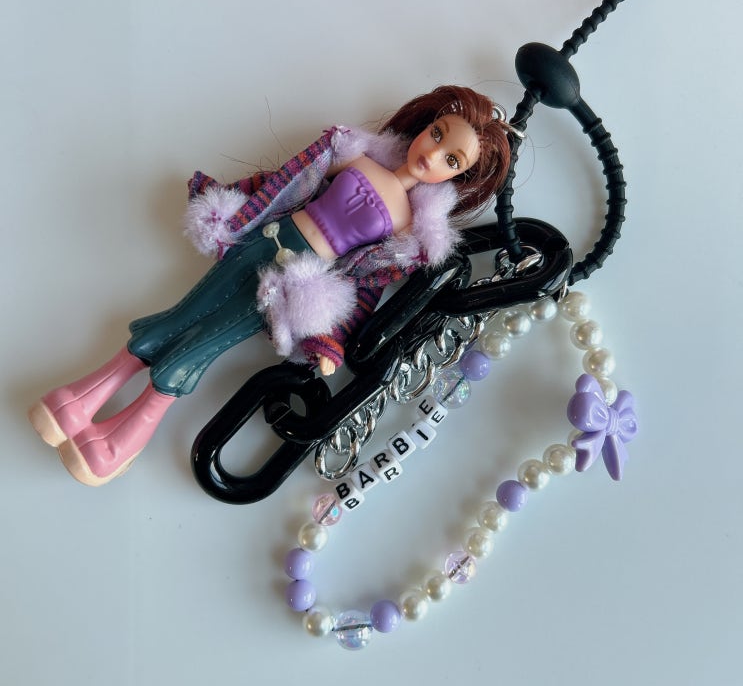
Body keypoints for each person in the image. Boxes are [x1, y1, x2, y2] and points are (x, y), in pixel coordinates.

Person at [28, 85, 513, 486]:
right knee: (183, 315)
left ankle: (117, 441)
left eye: (452, 159)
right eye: (437, 134)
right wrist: (231, 199)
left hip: (285, 281)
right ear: (426, 123)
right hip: (261, 241)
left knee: (206, 342)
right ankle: (75, 404)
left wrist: (330, 340)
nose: (432, 153)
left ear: (459, 177)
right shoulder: (356, 155)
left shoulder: (408, 230)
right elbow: (286, 183)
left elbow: (362, 286)